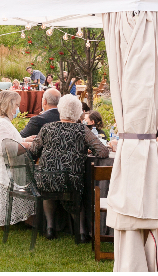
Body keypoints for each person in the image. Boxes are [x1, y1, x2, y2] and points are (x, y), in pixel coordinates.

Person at [28, 94, 107, 242]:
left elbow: (33, 151)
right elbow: (103, 151)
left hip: (46, 179)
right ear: (79, 113)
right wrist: (86, 150)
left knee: (50, 185)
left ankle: (50, 228)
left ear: (60, 110)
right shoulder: (82, 130)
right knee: (73, 190)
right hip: (71, 181)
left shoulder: (47, 128)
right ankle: (82, 232)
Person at [0, 90, 36, 227]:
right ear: (8, 105)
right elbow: (3, 149)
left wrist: (25, 140)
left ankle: (32, 216)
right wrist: (29, 145)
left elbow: (10, 140)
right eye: (16, 105)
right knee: (35, 177)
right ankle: (32, 218)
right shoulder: (0, 124)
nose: (17, 109)